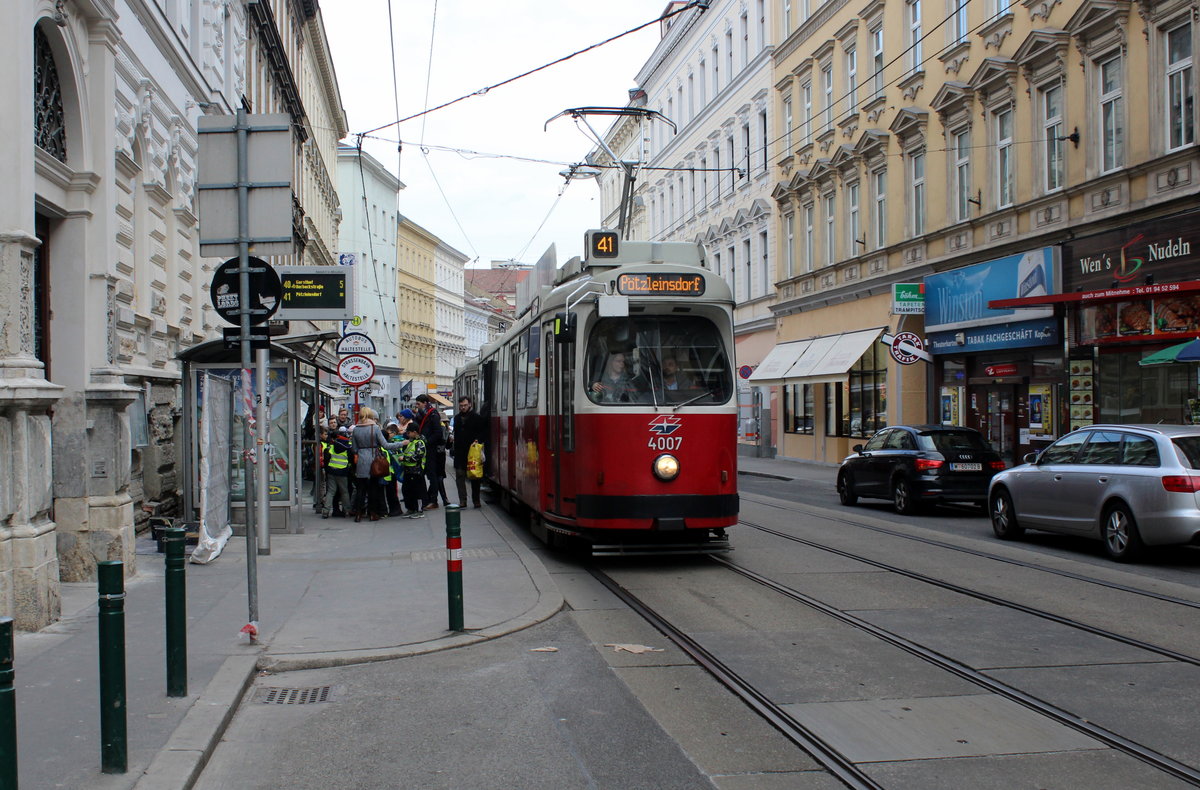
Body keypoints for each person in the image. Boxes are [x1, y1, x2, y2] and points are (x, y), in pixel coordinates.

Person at [350, 406, 403, 522]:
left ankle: (358, 513)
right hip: (373, 460)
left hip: (361, 461)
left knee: (361, 489)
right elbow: (386, 445)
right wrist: (401, 444)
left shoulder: (356, 429)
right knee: (373, 489)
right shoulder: (375, 428)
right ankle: (372, 513)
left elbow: (353, 448)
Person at [451, 396, 486, 508]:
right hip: (460, 452)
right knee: (460, 476)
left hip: (472, 452)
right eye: (461, 406)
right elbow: (456, 434)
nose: (463, 407)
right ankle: (463, 500)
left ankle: (476, 500)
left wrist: (478, 440)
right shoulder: (456, 418)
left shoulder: (477, 418)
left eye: (465, 405)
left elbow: (483, 433)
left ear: (470, 405)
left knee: (474, 476)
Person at [414, 395, 446, 510]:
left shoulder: (433, 414)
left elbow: (438, 433)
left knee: (432, 475)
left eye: (418, 404)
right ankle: (427, 499)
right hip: (424, 449)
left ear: (425, 403)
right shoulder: (421, 415)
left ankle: (434, 500)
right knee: (425, 474)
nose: (417, 407)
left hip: (431, 449)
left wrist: (426, 442)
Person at [322, 427, 353, 519]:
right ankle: (347, 510)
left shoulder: (332, 446)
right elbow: (350, 459)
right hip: (343, 472)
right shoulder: (348, 447)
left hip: (332, 470)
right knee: (344, 492)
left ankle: (325, 511)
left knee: (331, 491)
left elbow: (327, 457)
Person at [398, 423, 428, 518]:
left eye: (409, 432)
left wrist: (404, 459)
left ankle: (419, 510)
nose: (407, 434)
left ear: (415, 432)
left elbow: (417, 457)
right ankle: (410, 508)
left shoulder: (420, 443)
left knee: (417, 492)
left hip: (416, 471)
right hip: (408, 470)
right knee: (407, 490)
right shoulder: (411, 442)